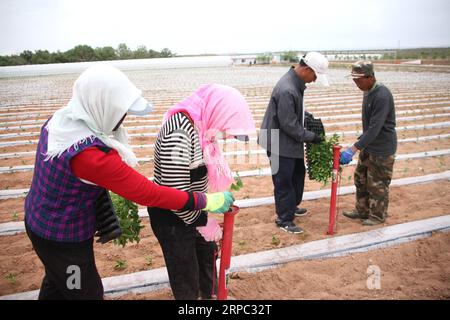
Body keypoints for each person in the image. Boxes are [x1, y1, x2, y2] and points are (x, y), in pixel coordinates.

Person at [24, 64, 234, 300]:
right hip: (62, 238)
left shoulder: (62, 120)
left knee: (58, 282)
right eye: (120, 110)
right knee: (84, 291)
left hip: (38, 220)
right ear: (101, 104)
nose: (122, 117)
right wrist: (205, 200)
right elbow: (148, 193)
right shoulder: (91, 157)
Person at [148, 84, 255, 300]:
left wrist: (201, 217)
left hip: (192, 210)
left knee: (206, 257)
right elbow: (173, 192)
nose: (225, 136)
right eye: (226, 128)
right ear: (218, 111)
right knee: (186, 273)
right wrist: (202, 214)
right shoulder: (179, 131)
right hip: (173, 218)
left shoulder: (201, 127)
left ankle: (212, 296)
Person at [257, 52, 329, 234]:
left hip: (288, 140)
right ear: (306, 69)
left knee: (297, 175)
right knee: (284, 181)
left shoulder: (296, 84)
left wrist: (306, 116)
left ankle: (290, 206)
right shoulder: (287, 89)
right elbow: (289, 125)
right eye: (315, 75)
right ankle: (284, 219)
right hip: (279, 142)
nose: (314, 80)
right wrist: (312, 137)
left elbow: (292, 114)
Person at [340, 61, 397, 226]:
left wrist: (353, 148)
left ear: (370, 77)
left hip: (382, 149)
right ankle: (362, 210)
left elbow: (375, 128)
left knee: (377, 184)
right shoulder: (368, 91)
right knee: (361, 179)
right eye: (354, 80)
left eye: (358, 80)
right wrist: (361, 143)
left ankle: (377, 216)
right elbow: (369, 127)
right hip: (369, 145)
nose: (356, 83)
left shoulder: (382, 95)